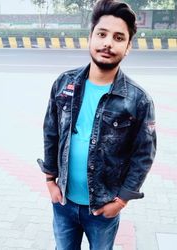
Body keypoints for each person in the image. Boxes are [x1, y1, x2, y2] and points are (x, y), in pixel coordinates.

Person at [37, 0, 157, 249]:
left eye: (118, 37)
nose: (108, 43)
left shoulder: (137, 99)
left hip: (103, 209)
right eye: (102, 34)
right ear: (90, 37)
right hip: (63, 203)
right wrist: (50, 181)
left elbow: (143, 155)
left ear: (128, 47)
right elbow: (51, 133)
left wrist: (121, 201)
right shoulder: (64, 83)